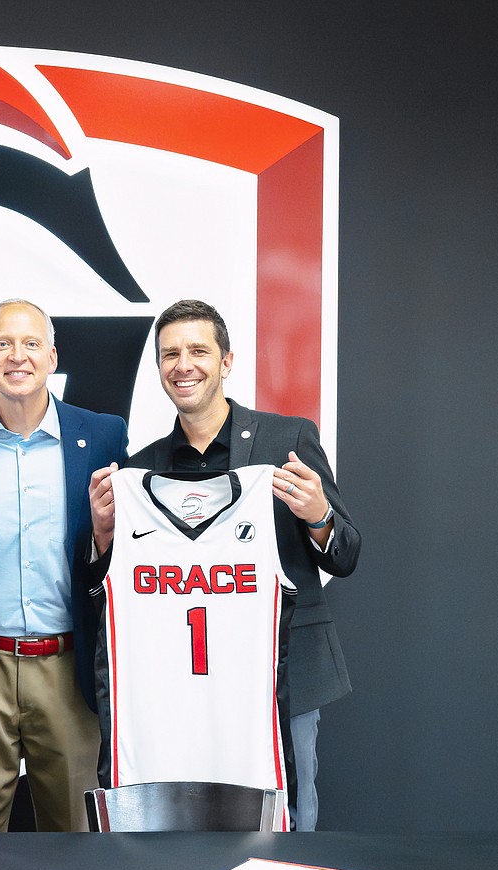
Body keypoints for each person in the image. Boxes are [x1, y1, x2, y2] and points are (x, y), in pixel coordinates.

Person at [89, 298, 360, 831]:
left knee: (290, 825)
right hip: (183, 682)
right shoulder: (141, 468)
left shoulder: (288, 440)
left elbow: (347, 554)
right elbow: (107, 589)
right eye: (170, 354)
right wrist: (102, 538)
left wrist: (318, 515)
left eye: (198, 351)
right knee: (187, 829)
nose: (183, 365)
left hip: (283, 675)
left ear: (227, 361)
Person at [0, 299, 128, 832]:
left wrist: (104, 540)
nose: (17, 356)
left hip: (68, 667)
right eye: (2, 344)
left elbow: (120, 555)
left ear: (53, 356)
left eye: (31, 343)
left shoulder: (105, 436)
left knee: (77, 850)